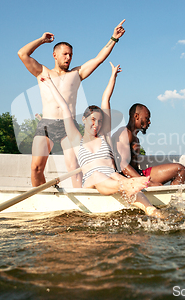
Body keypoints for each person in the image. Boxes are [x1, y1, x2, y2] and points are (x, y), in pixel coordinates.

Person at [40, 63, 163, 217]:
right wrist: (51, 84)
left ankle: (152, 210)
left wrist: (113, 76)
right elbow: (64, 107)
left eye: (99, 121)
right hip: (92, 181)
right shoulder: (76, 138)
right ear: (84, 120)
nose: (96, 124)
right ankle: (127, 185)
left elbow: (106, 99)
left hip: (113, 177)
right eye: (92, 120)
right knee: (100, 176)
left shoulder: (104, 136)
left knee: (120, 179)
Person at [17, 20, 126, 188]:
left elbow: (99, 59)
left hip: (68, 127)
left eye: (71, 55)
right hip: (46, 124)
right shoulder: (42, 72)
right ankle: (42, 196)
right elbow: (22, 54)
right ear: (55, 55)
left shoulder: (77, 73)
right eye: (65, 54)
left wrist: (114, 38)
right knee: (36, 168)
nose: (68, 57)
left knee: (75, 168)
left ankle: (80, 199)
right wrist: (41, 40)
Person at [112, 104, 185, 186]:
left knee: (180, 169)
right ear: (136, 116)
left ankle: (174, 198)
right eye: (147, 118)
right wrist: (147, 182)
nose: (149, 122)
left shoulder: (135, 138)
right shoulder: (124, 134)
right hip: (127, 179)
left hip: (138, 174)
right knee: (179, 170)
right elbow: (122, 165)